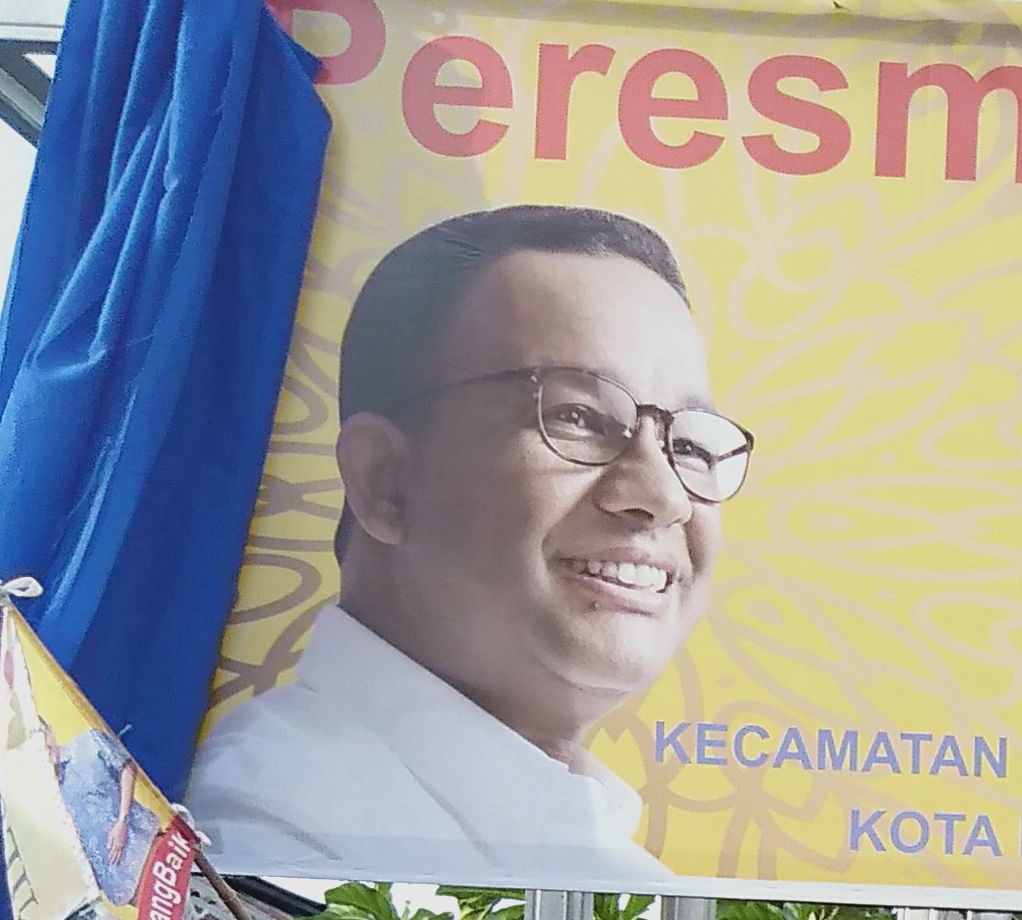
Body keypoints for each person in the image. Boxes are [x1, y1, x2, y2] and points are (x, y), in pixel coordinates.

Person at [191, 206, 742, 883]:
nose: (662, 495)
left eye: (690, 446)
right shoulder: (277, 829)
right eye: (576, 416)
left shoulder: (611, 867)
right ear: (385, 481)